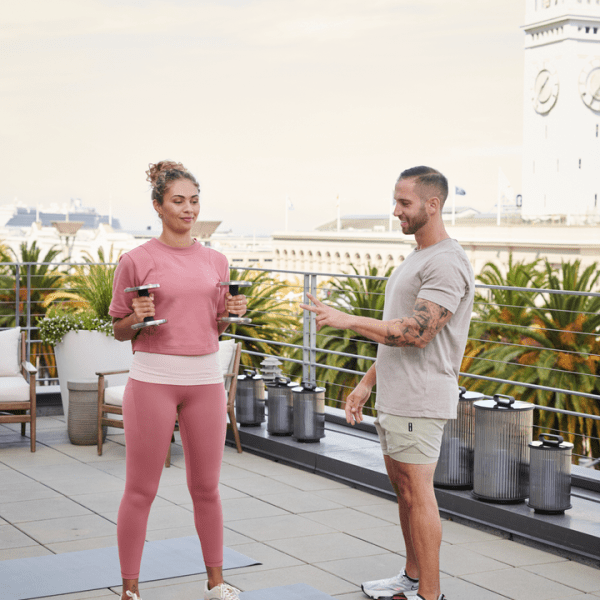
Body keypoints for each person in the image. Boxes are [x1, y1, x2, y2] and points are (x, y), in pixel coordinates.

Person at [300, 166, 474, 600]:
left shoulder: (447, 263)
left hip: (420, 400)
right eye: (395, 201)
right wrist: (366, 383)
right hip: (398, 398)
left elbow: (416, 332)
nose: (395, 210)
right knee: (404, 493)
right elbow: (394, 337)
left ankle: (430, 595)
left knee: (419, 494)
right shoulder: (418, 256)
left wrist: (346, 319)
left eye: (404, 203)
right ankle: (411, 579)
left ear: (432, 205)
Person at [109, 161, 248, 600]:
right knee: (141, 489)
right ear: (158, 205)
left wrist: (229, 316)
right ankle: (130, 589)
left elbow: (214, 325)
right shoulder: (136, 260)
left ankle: (216, 582)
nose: (188, 209)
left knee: (206, 487)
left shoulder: (216, 260)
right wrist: (135, 317)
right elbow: (118, 328)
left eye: (194, 200)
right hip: (153, 381)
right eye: (178, 201)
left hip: (206, 381)